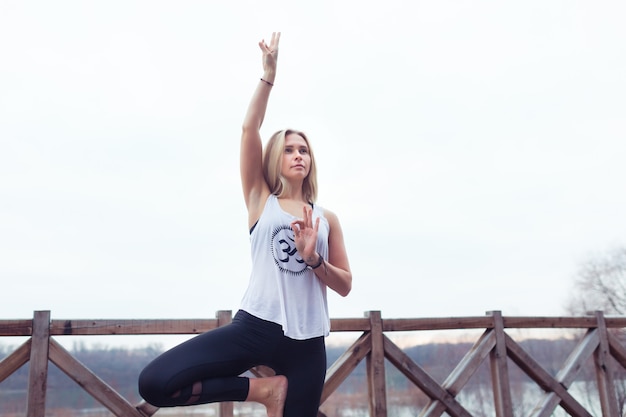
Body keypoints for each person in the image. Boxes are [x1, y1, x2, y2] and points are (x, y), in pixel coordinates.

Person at [137, 32, 352, 417]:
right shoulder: (260, 201)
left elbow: (346, 285)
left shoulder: (327, 219)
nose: (298, 154)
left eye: (303, 149)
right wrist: (268, 76)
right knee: (156, 383)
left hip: (308, 342)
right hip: (257, 326)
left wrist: (314, 260)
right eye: (288, 149)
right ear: (276, 158)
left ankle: (277, 394)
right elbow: (248, 130)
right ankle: (263, 391)